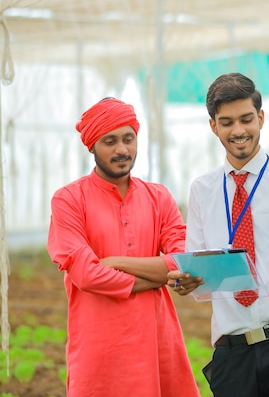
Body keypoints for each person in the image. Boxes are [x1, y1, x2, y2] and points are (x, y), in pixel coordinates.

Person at [168, 72, 269, 397]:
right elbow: (198, 258)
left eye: (246, 119)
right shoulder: (203, 189)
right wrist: (187, 280)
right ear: (214, 126)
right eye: (227, 122)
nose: (238, 131)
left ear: (260, 118)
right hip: (233, 352)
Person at [47, 97, 202, 397]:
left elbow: (184, 260)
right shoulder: (68, 200)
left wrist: (116, 262)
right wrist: (160, 276)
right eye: (110, 141)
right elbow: (87, 275)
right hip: (100, 350)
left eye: (128, 139)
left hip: (158, 342)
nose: (122, 149)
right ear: (92, 146)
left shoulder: (159, 197)